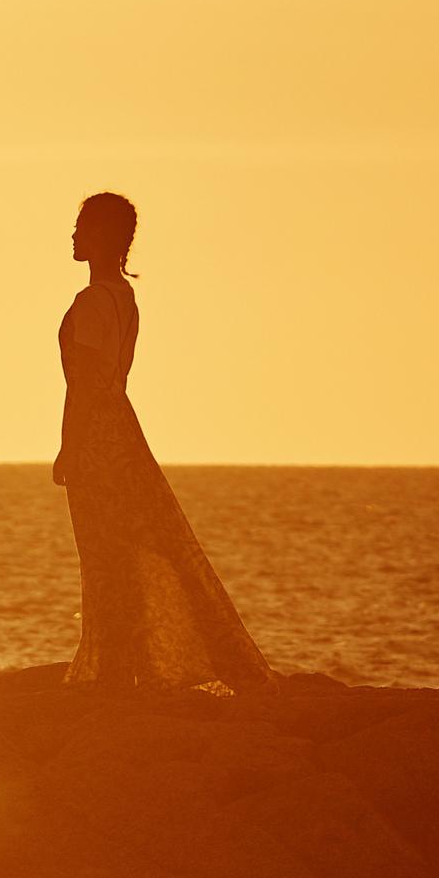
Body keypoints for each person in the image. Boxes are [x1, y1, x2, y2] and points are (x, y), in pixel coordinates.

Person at [53, 191, 270, 692]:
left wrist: (69, 446)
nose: (73, 235)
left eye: (81, 226)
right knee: (129, 548)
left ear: (103, 236)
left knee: (105, 552)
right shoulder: (123, 298)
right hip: (122, 430)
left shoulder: (92, 302)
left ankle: (112, 668)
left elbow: (83, 386)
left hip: (98, 436)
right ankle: (125, 662)